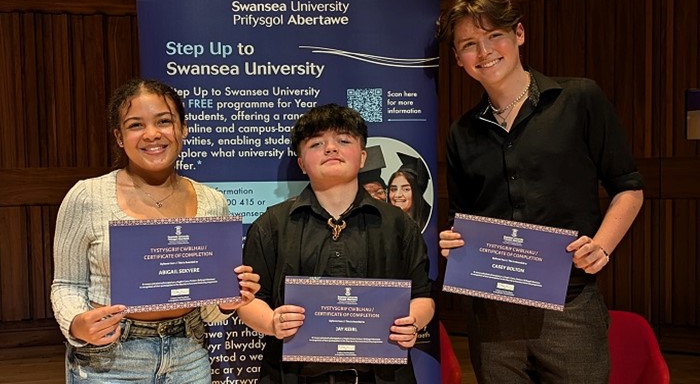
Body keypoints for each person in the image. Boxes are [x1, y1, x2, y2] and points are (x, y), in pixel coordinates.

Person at [437, 0, 644, 383]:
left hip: (570, 306)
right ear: (458, 60)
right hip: (492, 313)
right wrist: (453, 241)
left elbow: (628, 186)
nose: (484, 52)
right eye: (469, 45)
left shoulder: (579, 98)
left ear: (519, 34)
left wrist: (602, 245)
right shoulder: (462, 133)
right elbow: (460, 218)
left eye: (494, 35)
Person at [50, 78, 261, 383]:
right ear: (119, 137)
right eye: (136, 125)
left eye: (164, 121)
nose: (152, 134)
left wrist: (228, 302)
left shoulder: (213, 203)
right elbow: (66, 283)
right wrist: (76, 325)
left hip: (189, 355)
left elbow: (210, 312)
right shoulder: (87, 196)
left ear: (183, 129)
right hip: (109, 358)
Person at [237, 103, 435, 384]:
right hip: (291, 376)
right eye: (317, 143)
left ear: (363, 157)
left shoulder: (398, 224)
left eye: (344, 140)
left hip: (382, 376)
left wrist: (412, 322)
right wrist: (271, 322)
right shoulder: (272, 225)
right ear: (302, 163)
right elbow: (248, 301)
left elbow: (423, 297)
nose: (331, 148)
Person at [387, 153, 431, 230]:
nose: (397, 195)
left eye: (406, 189)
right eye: (393, 189)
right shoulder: (384, 226)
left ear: (417, 192)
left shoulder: (430, 225)